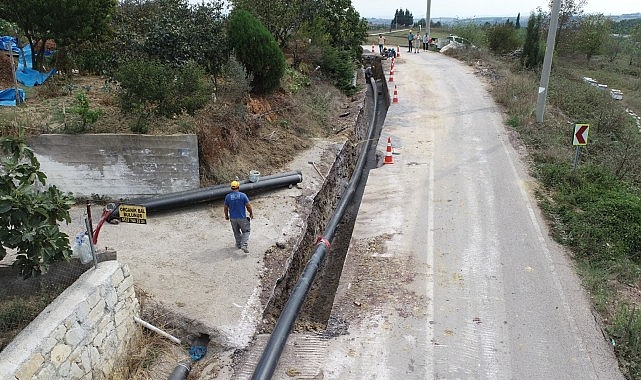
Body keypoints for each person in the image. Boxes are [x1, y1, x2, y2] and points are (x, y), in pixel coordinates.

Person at [224, 180, 254, 253]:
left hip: (233, 218)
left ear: (231, 188)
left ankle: (238, 244)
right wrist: (251, 213)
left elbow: (225, 207)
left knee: (236, 231)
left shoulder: (228, 197)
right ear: (238, 187)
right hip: (242, 218)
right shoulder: (243, 195)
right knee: (246, 231)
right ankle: (244, 244)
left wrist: (226, 216)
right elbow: (248, 206)